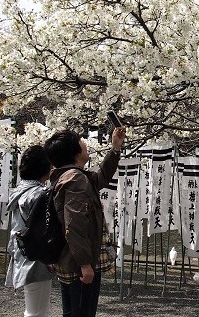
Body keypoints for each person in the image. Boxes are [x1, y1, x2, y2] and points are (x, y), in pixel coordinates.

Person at [44, 127, 125, 317]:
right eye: (80, 141)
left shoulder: (69, 176)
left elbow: (101, 178)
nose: (84, 142)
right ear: (74, 152)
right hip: (77, 262)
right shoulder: (75, 179)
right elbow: (75, 223)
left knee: (74, 311)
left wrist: (115, 149)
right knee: (82, 312)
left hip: (70, 259)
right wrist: (85, 264)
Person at [6, 145, 54, 317]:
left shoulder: (19, 191)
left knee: (34, 309)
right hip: (37, 257)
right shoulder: (39, 193)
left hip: (22, 252)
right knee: (38, 311)